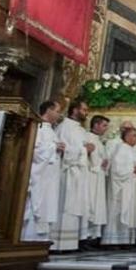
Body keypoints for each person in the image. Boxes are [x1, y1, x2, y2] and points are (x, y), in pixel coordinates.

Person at [50, 98, 92, 251]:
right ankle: (58, 243)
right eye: (84, 110)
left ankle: (72, 242)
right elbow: (62, 149)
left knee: (76, 208)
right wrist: (84, 150)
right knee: (66, 208)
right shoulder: (65, 127)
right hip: (68, 174)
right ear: (75, 110)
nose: (86, 113)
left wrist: (86, 149)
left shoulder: (79, 129)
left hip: (79, 173)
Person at [22, 100, 64, 242]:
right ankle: (29, 241)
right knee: (36, 207)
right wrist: (54, 148)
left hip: (49, 178)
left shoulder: (50, 130)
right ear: (49, 110)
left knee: (46, 206)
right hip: (39, 178)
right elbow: (32, 150)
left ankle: (41, 243)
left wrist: (58, 148)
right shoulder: (37, 127)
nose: (59, 115)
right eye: (57, 111)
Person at [102, 126, 136, 246]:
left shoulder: (132, 149)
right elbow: (117, 169)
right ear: (126, 137)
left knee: (129, 212)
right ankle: (113, 241)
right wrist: (133, 170)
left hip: (131, 186)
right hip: (121, 189)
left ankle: (126, 240)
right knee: (118, 212)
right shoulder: (120, 149)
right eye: (134, 135)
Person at [84, 115, 111, 245]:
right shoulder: (88, 137)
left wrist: (105, 164)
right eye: (104, 125)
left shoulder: (99, 141)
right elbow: (88, 158)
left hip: (98, 177)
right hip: (90, 177)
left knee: (96, 206)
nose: (106, 129)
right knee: (90, 206)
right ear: (96, 125)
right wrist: (100, 164)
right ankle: (86, 237)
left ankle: (93, 237)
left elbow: (103, 159)